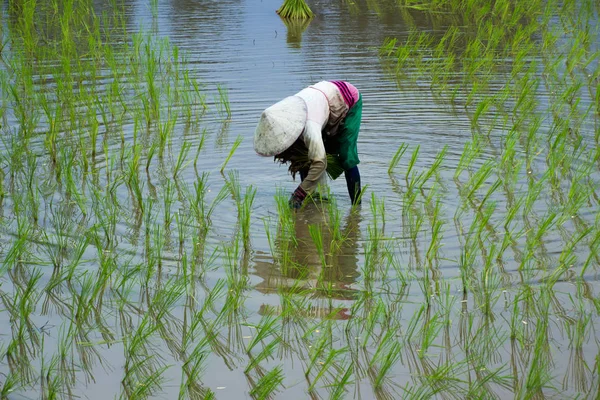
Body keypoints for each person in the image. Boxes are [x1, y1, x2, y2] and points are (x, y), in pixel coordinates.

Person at [254, 81, 363, 208]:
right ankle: (314, 200)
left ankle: (356, 208)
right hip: (320, 99)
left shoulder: (310, 128)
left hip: (345, 98)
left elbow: (320, 163)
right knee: (303, 155)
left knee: (346, 157)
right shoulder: (283, 113)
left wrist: (299, 194)